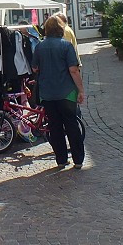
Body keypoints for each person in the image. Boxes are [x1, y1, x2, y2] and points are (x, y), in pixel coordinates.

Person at [32, 16, 85, 169]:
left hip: (48, 93)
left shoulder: (39, 47)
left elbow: (35, 68)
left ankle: (61, 159)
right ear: (60, 29)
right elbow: (73, 70)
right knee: (71, 125)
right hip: (66, 92)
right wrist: (81, 90)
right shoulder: (66, 46)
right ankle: (78, 160)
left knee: (54, 126)